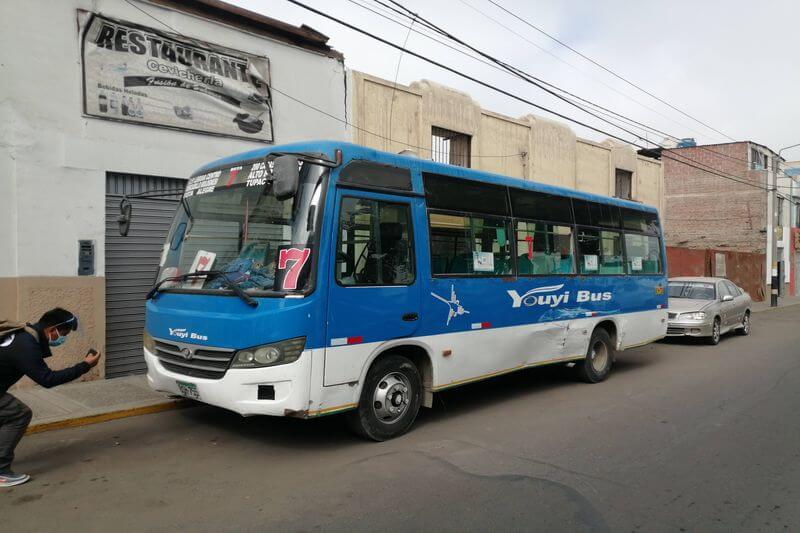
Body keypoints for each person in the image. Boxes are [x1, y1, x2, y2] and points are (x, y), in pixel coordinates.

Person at [0, 308, 101, 487]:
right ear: (52, 329)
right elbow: (47, 379)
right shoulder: (27, 345)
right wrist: (84, 366)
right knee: (18, 414)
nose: (63, 338)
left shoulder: (24, 334)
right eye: (64, 333)